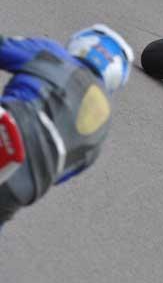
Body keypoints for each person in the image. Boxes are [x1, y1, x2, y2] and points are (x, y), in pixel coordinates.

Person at [0, 25, 133, 226]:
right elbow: (59, 176)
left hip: (8, 129)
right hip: (20, 186)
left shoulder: (51, 52)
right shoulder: (103, 128)